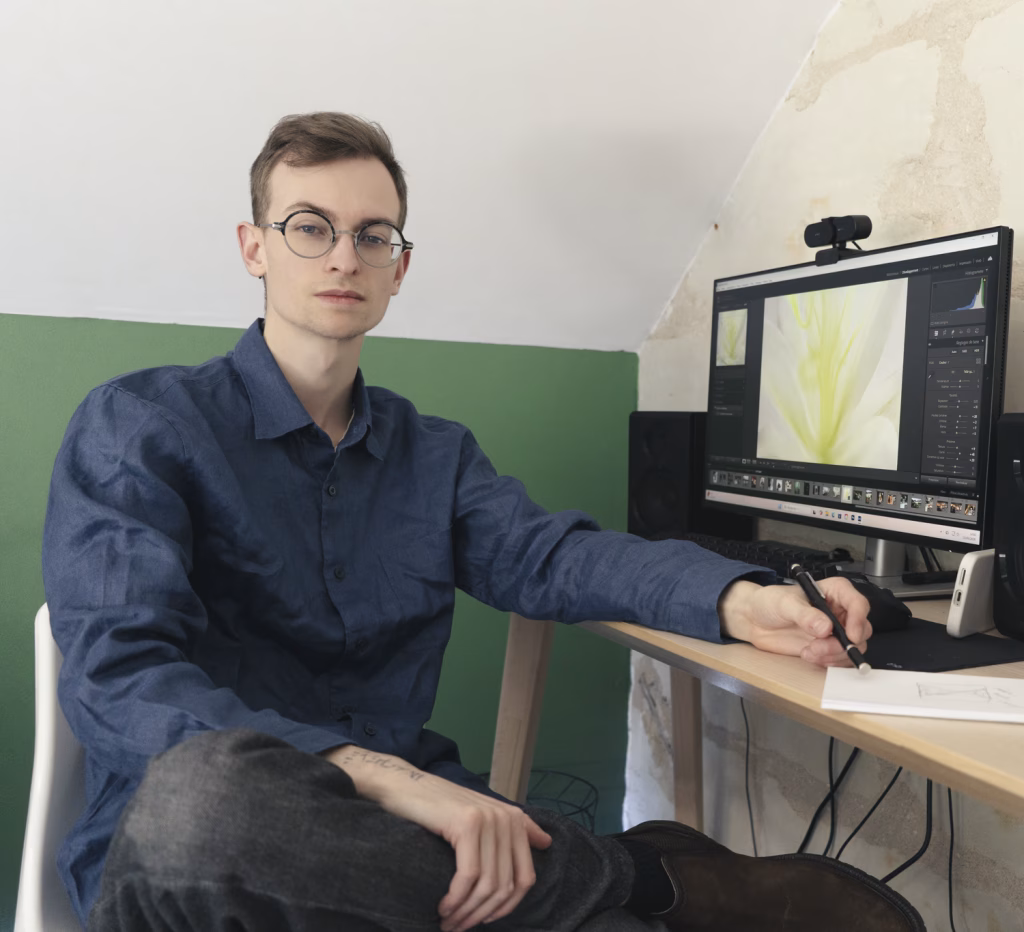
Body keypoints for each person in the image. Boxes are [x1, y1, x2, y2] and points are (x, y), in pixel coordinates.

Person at [42, 112, 922, 932]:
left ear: (400, 265)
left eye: (372, 235)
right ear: (254, 249)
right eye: (309, 227)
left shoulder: (434, 454)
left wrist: (739, 598)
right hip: (205, 857)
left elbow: (553, 559)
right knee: (202, 805)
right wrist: (383, 779)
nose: (344, 257)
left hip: (422, 852)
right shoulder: (140, 426)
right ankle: (645, 875)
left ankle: (602, 892)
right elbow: (121, 678)